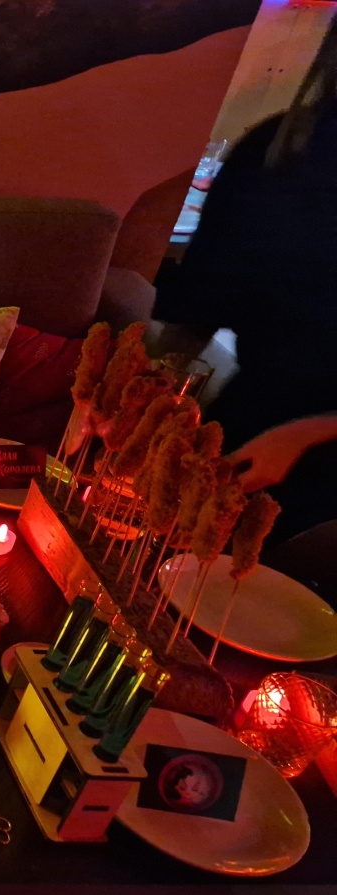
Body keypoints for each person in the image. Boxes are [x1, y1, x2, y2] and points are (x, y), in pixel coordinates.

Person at [154, 20, 337, 542]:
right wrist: (153, 397)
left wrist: (312, 432)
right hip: (251, 423)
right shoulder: (275, 150)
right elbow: (200, 306)